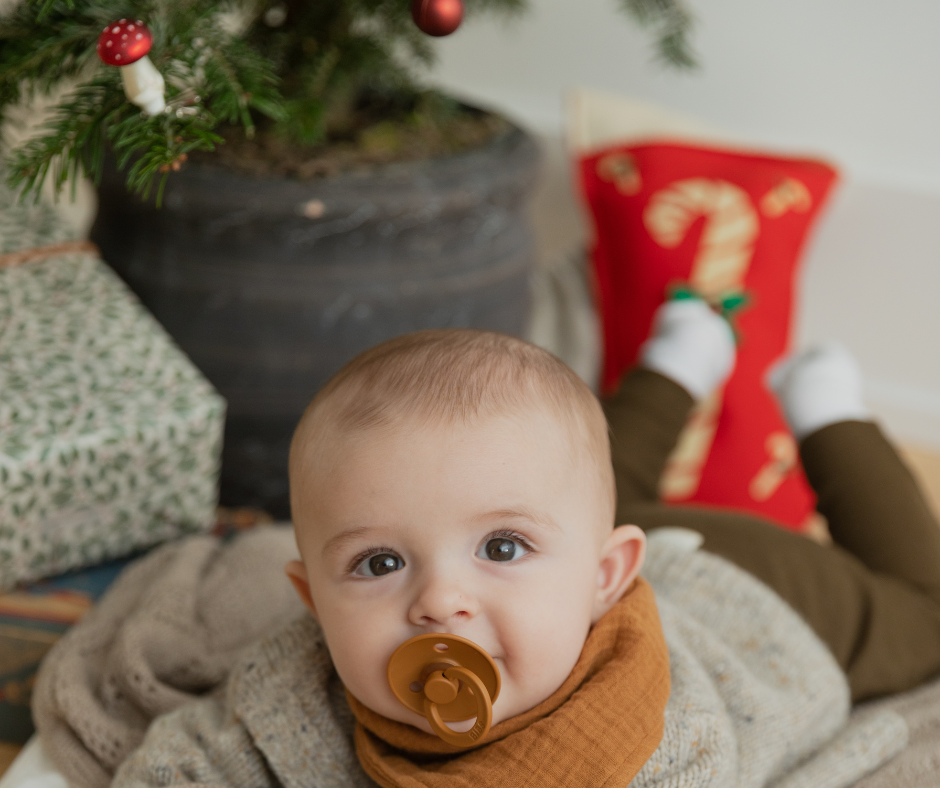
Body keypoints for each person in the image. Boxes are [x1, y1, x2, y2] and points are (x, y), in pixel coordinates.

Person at [108, 305, 940, 788]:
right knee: (577, 481)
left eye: (499, 549)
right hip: (589, 540)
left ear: (606, 578)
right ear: (311, 599)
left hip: (767, 597)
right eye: (380, 563)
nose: (438, 602)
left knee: (922, 609)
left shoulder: (664, 737)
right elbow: (181, 766)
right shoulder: (292, 687)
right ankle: (681, 357)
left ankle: (826, 408)